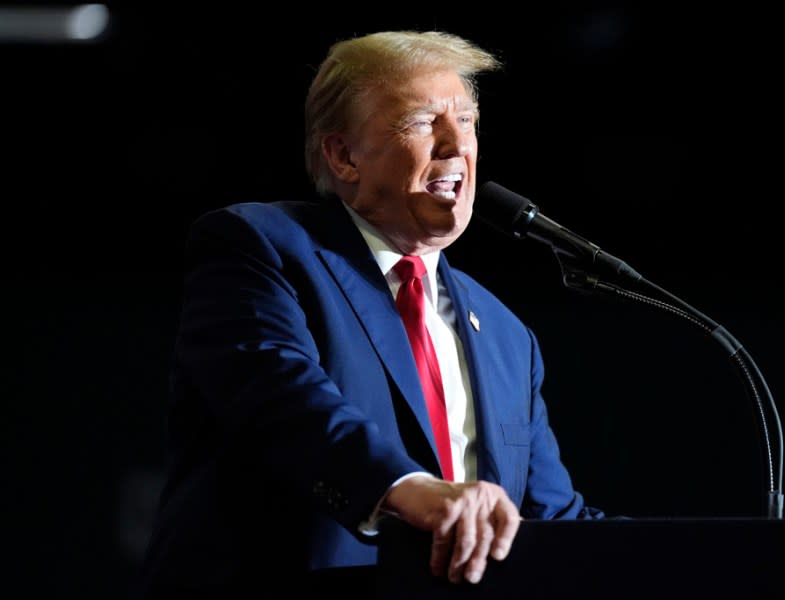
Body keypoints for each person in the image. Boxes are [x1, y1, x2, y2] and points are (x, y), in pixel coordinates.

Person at [135, 29, 606, 598]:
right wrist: (410, 489)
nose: (455, 144)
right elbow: (284, 402)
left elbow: (553, 523)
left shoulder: (506, 334)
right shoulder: (262, 247)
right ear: (344, 156)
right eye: (421, 121)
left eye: (467, 121)